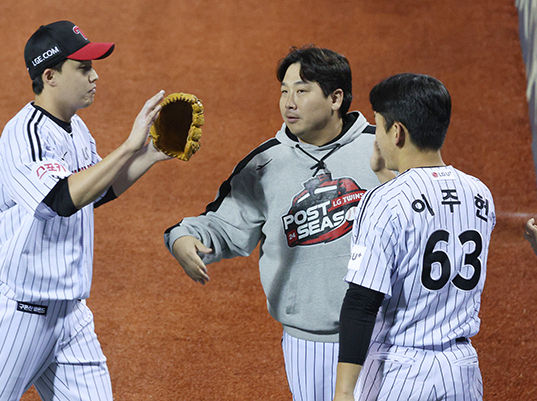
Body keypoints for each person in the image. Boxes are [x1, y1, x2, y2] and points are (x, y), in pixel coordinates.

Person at [0, 20, 172, 401]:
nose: (95, 75)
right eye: (84, 67)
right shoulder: (27, 134)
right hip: (15, 315)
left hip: (70, 316)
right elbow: (58, 200)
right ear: (50, 75)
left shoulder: (75, 129)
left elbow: (95, 192)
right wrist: (126, 147)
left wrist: (152, 153)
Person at [163, 45, 392, 401]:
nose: (289, 102)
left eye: (301, 91)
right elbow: (223, 225)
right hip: (308, 343)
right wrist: (182, 237)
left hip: (384, 334)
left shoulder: (382, 148)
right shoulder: (264, 165)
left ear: (335, 98)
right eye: (284, 90)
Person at [333, 73, 496, 401]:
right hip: (461, 371)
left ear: (397, 132)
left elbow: (362, 302)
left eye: (377, 126)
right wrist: (386, 175)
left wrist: (344, 391)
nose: (375, 137)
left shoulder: (383, 201)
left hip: (403, 372)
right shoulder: (480, 195)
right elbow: (428, 214)